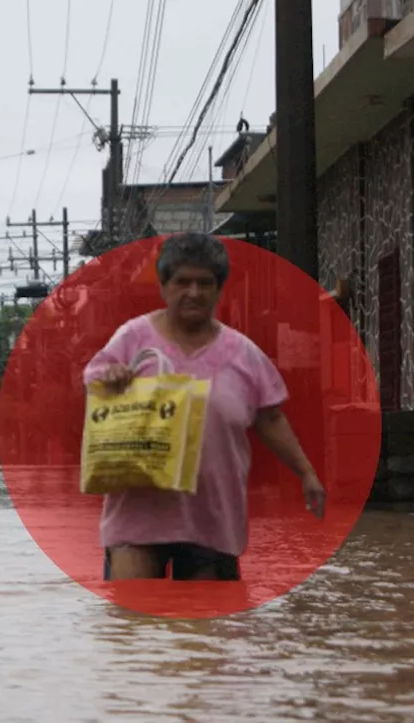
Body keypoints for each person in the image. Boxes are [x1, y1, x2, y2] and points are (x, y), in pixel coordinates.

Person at [82, 232, 326, 582]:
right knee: (133, 626)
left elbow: (270, 417)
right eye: (182, 282)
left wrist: (306, 473)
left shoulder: (243, 353)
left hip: (213, 519)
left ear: (218, 289)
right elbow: (93, 380)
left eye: (204, 283)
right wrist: (113, 374)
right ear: (164, 287)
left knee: (207, 634)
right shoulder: (133, 339)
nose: (193, 292)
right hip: (136, 517)